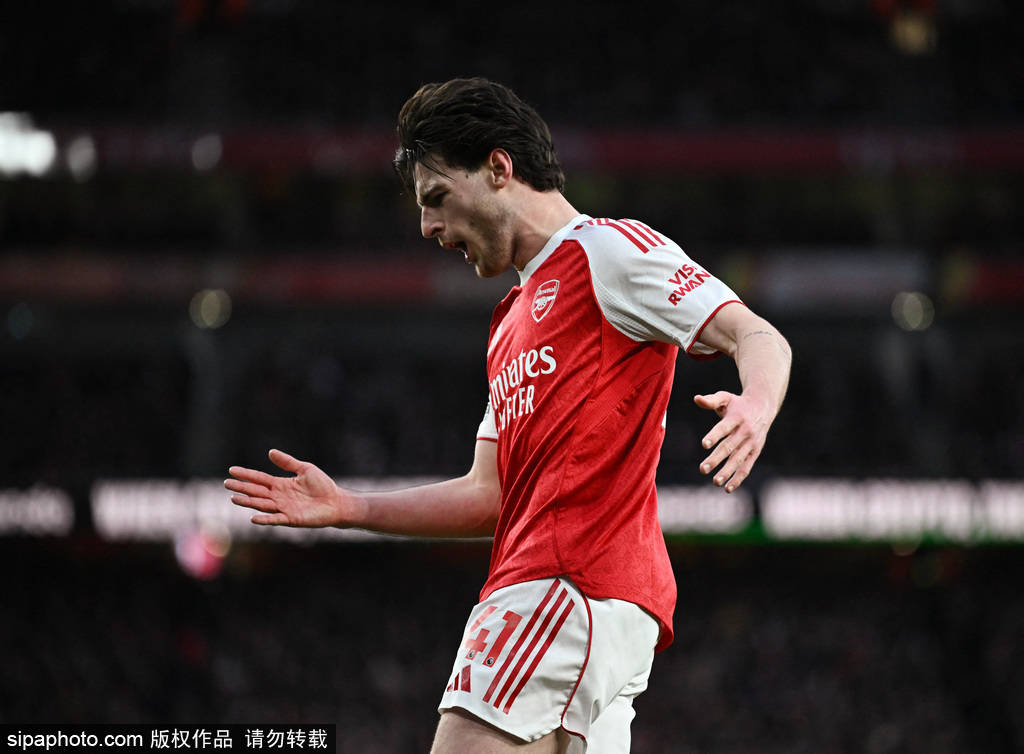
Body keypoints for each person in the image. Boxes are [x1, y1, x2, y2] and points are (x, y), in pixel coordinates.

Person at [225, 77, 791, 753]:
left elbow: (755, 333)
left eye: (437, 199)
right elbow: (489, 494)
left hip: (564, 585)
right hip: (593, 605)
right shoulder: (507, 323)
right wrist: (351, 508)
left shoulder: (605, 252)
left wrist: (756, 404)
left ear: (499, 167)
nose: (427, 228)